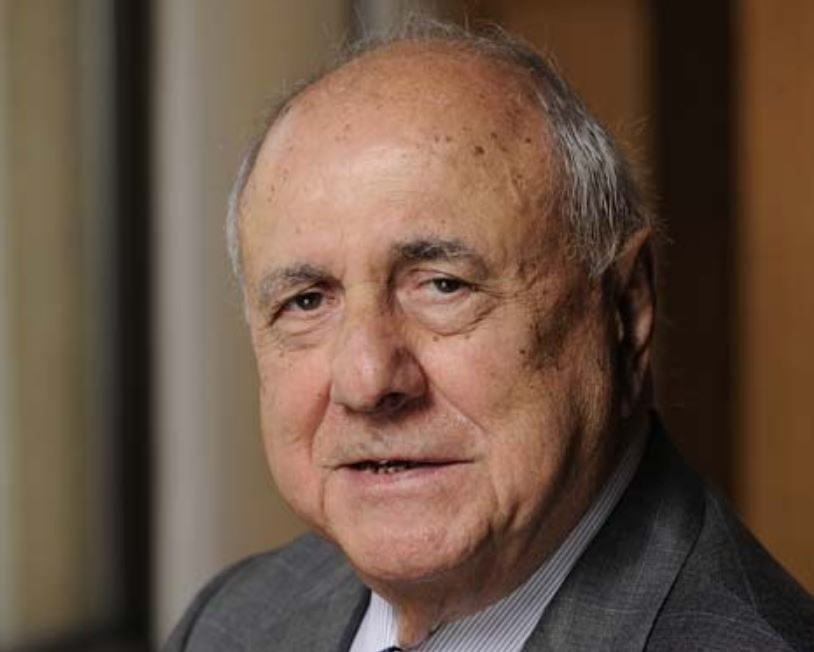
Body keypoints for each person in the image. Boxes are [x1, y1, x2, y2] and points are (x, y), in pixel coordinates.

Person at [165, 21, 814, 651]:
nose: (367, 380)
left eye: (443, 285)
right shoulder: (233, 621)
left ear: (626, 310)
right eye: (307, 301)